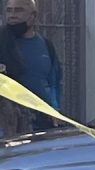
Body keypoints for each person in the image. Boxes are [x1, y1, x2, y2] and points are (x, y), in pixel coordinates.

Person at [0, 0, 61, 133]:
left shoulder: (46, 46)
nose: (12, 15)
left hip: (40, 124)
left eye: (19, 10)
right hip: (7, 125)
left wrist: (54, 111)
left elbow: (54, 83)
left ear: (33, 15)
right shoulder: (3, 41)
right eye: (9, 10)